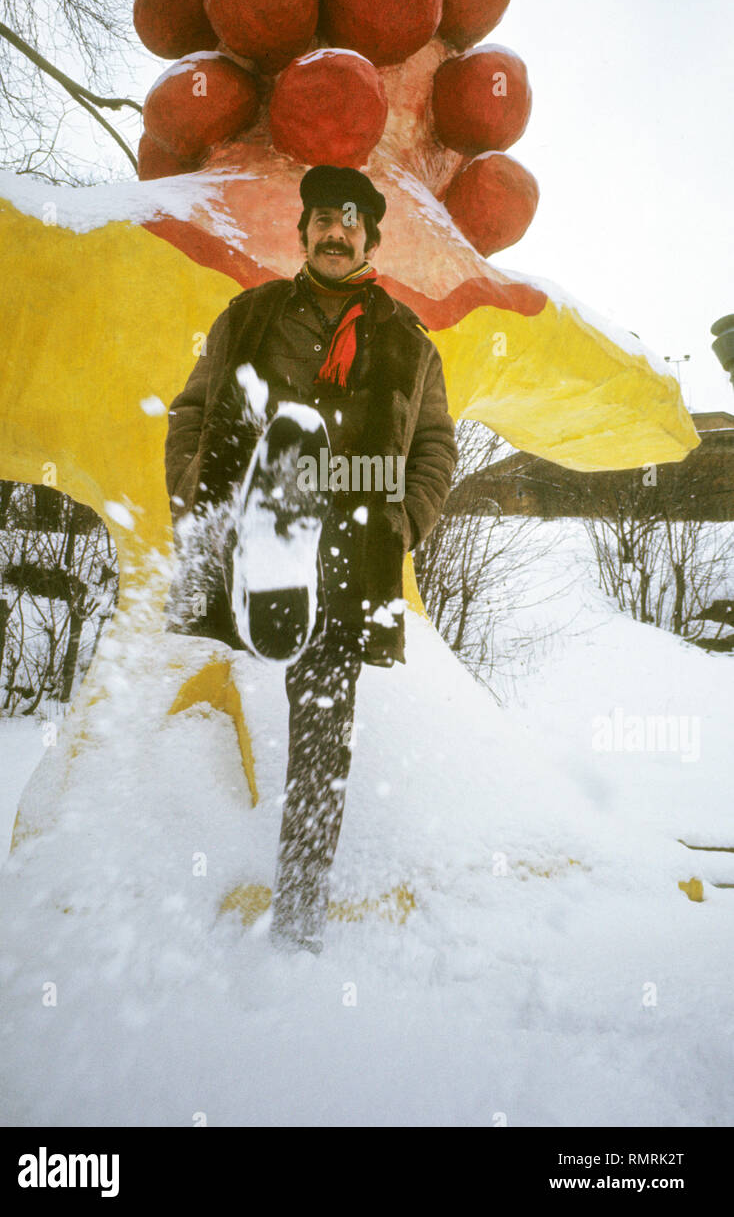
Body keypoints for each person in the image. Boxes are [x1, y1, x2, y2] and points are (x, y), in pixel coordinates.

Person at [164, 165, 458, 953]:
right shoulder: (252, 314)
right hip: (247, 536)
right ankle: (150, 879)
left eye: (351, 220)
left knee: (324, 742)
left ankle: (298, 915)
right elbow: (190, 412)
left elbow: (435, 447)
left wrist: (404, 524)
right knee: (181, 705)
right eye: (322, 219)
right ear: (302, 233)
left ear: (369, 235)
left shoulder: (406, 340)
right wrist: (194, 508)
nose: (336, 231)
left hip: (351, 553)